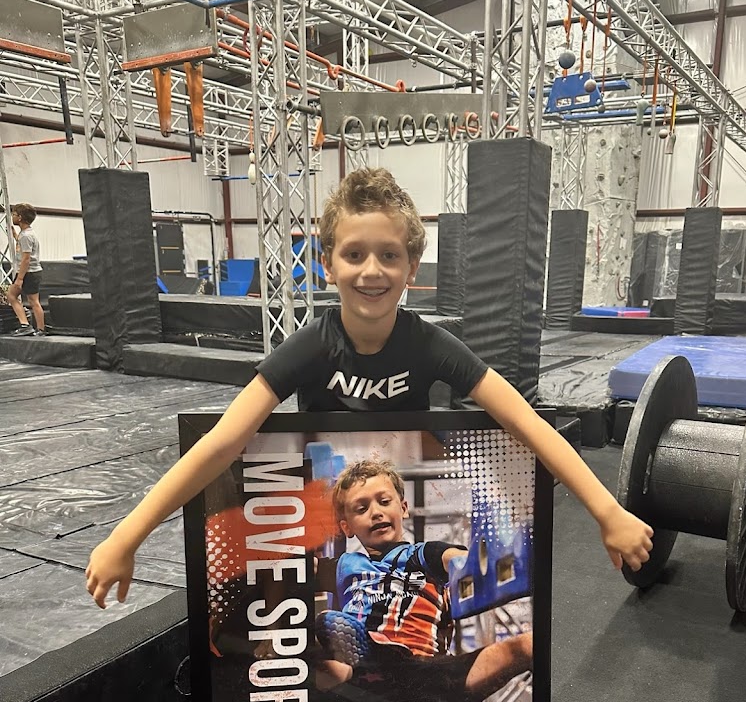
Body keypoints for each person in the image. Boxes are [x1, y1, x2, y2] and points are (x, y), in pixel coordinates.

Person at [86, 166, 654, 613]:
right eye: (354, 255)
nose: (372, 270)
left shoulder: (430, 345)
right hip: (320, 513)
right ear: (328, 266)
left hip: (391, 501)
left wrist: (608, 511)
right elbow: (220, 443)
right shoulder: (310, 347)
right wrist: (126, 536)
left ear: (413, 267)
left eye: (389, 255)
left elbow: (526, 423)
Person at [303, 458, 533, 702]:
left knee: (525, 647)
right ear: (346, 527)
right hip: (366, 696)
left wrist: (477, 563)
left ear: (403, 508)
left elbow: (457, 561)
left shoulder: (424, 554)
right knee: (317, 647)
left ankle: (348, 671)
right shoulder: (344, 566)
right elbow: (297, 569)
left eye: (384, 502)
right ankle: (343, 671)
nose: (376, 513)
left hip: (426, 682)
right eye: (361, 509)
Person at [6, 203, 45, 337]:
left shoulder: (25, 236)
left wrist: (20, 279)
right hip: (34, 271)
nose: (12, 217)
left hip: (28, 272)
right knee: (34, 301)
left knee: (11, 296)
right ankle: (40, 329)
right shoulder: (27, 234)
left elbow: (26, 259)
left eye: (14, 215)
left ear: (20, 218)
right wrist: (15, 235)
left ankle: (25, 325)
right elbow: (24, 245)